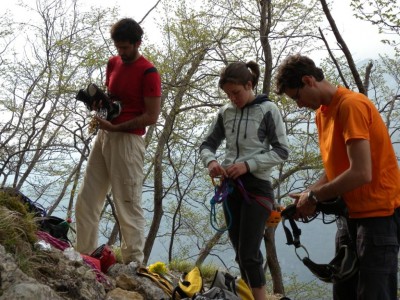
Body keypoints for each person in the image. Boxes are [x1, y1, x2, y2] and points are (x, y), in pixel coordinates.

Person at [275, 54, 400, 299]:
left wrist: (314, 195)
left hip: (378, 218)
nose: (298, 104)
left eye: (297, 97)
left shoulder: (351, 105)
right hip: (349, 218)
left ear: (309, 80)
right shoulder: (323, 113)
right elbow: (337, 168)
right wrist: (310, 195)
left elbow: (361, 172)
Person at [199, 61, 289, 300]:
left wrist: (248, 165)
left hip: (257, 188)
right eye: (228, 94)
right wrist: (212, 162)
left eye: (236, 93)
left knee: (249, 253)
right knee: (240, 253)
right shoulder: (225, 112)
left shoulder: (268, 109)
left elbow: (282, 151)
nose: (232, 98)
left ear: (249, 85)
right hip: (230, 188)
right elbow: (207, 144)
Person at [75, 18, 161, 265]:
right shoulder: (113, 63)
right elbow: (113, 98)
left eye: (125, 48)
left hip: (129, 141)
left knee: (128, 204)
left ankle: (134, 264)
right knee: (87, 200)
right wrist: (99, 106)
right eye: (117, 47)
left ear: (137, 43)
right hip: (105, 135)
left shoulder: (149, 72)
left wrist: (118, 126)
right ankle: (85, 257)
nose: (120, 52)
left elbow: (151, 116)